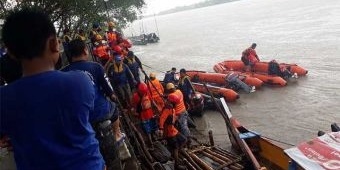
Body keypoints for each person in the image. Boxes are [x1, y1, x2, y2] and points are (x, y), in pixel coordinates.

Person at [0, 8, 104, 169]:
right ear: (54, 44)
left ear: (11, 53)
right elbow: (86, 112)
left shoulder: (4, 98)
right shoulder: (80, 81)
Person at [62, 39, 124, 169]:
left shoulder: (63, 72)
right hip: (100, 113)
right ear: (85, 50)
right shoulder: (95, 67)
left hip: (79, 118)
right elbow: (110, 92)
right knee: (114, 108)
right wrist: (113, 98)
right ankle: (117, 133)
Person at [159, 95, 187, 170]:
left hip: (173, 130)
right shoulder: (167, 109)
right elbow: (162, 119)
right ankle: (176, 165)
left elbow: (173, 118)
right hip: (168, 132)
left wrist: (176, 120)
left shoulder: (172, 109)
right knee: (176, 147)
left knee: (184, 139)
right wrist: (161, 129)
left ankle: (176, 153)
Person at [131, 83, 158, 149]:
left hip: (149, 114)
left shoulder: (145, 93)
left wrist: (156, 107)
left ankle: (154, 138)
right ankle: (151, 142)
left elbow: (152, 101)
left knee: (151, 127)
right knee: (148, 129)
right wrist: (135, 113)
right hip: (144, 116)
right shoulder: (135, 97)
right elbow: (133, 107)